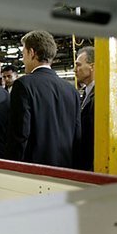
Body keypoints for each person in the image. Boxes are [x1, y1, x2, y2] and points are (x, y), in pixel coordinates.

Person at [6, 30, 81, 168]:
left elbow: (20, 134)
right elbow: (77, 136)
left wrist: (12, 166)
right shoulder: (71, 90)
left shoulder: (23, 85)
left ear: (32, 53)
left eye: (23, 54)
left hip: (35, 170)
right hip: (65, 168)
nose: (23, 60)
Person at [74, 46, 95, 171]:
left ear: (92, 66)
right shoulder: (86, 93)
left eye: (78, 65)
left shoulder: (103, 96)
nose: (74, 69)